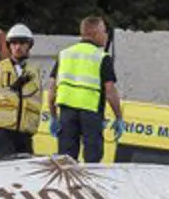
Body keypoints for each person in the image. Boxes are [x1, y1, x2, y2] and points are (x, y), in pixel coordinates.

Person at [47, 16, 125, 164]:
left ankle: (67, 187)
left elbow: (51, 89)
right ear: (94, 34)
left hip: (66, 113)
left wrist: (53, 116)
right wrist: (119, 117)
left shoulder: (65, 55)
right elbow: (110, 92)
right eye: (104, 31)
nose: (106, 35)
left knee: (66, 161)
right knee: (92, 162)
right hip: (91, 113)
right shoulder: (102, 58)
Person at [0, 23, 42, 160]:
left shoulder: (35, 72)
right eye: (14, 43)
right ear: (9, 46)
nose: (18, 47)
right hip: (3, 131)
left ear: (29, 45)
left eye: (22, 43)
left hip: (25, 133)